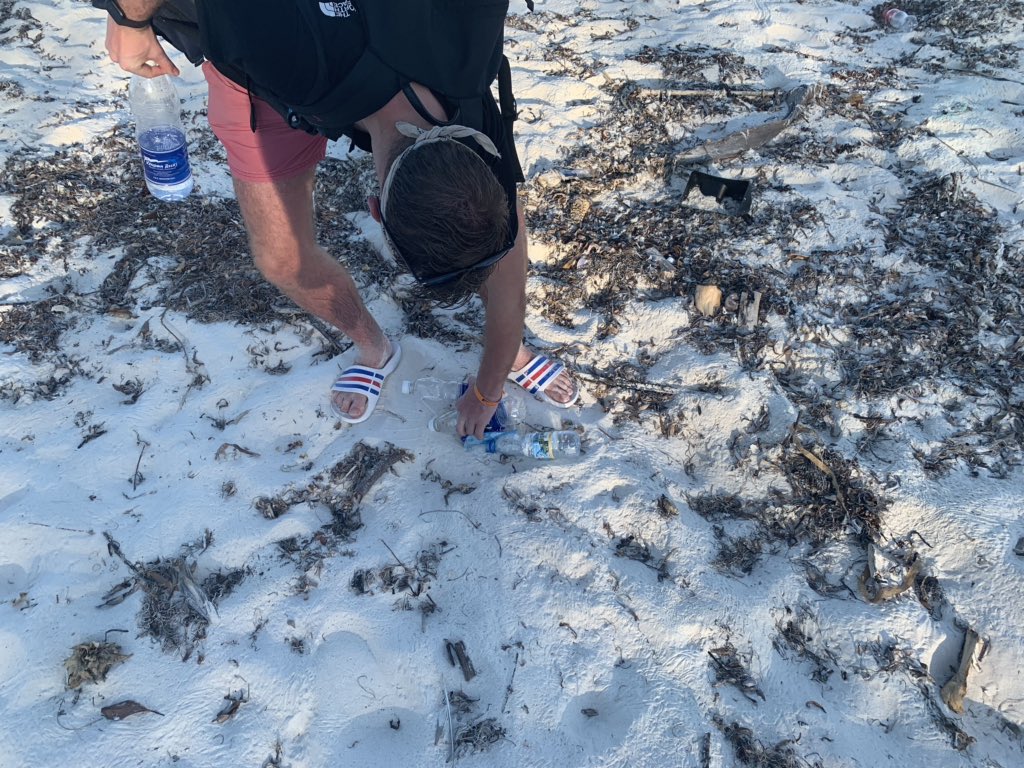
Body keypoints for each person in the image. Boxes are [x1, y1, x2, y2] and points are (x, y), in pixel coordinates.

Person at [96, 0, 579, 439]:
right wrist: (131, 18)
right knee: (283, 259)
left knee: (475, 226)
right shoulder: (262, 40)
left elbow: (499, 238)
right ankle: (374, 349)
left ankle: (507, 354)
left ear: (483, 156)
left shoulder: (472, 49)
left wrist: (488, 389)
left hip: (320, 58)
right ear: (374, 210)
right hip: (266, 81)